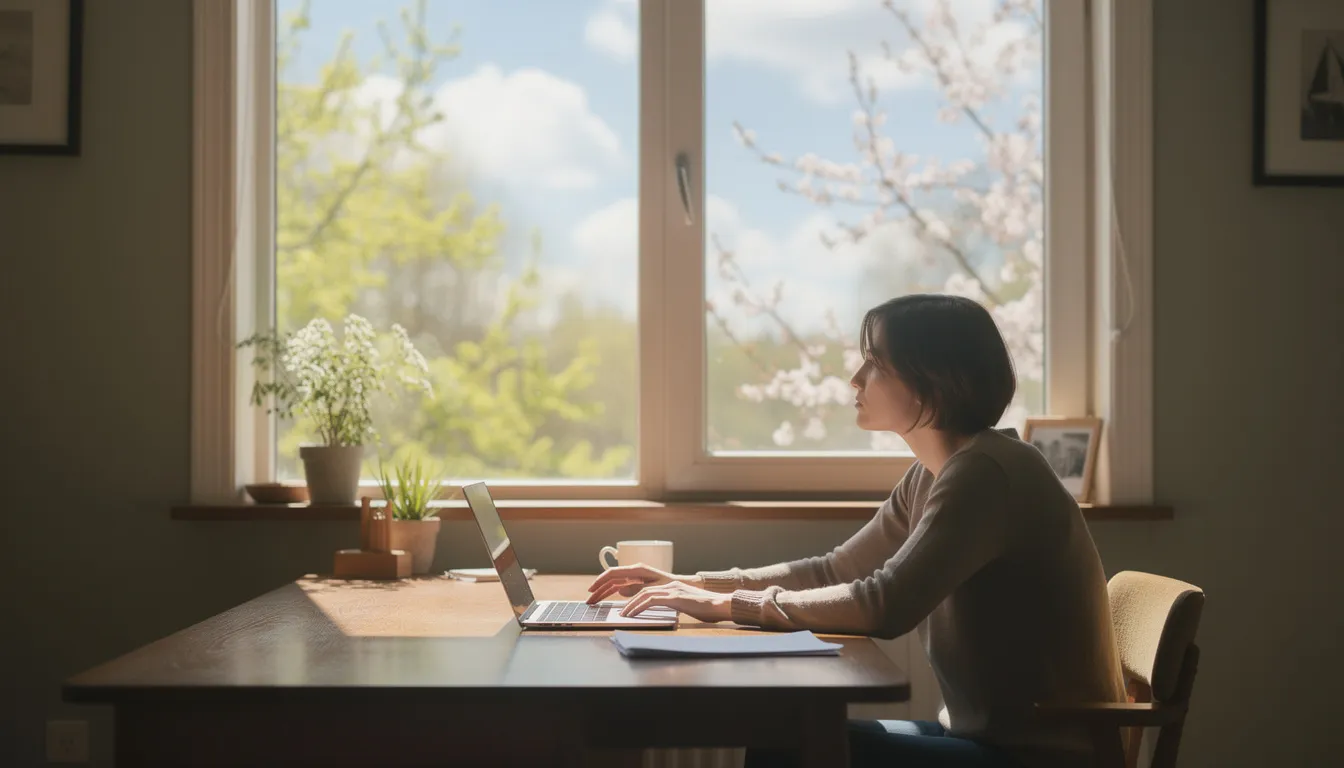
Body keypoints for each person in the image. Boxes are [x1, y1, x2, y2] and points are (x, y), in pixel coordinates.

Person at [587, 294, 1125, 768]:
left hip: (1031, 758)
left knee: (785, 746)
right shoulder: (936, 474)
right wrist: (696, 586)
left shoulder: (988, 474)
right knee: (785, 739)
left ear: (930, 380)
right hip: (982, 740)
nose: (855, 380)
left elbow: (885, 604)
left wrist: (730, 607)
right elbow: (837, 570)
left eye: (875, 363)